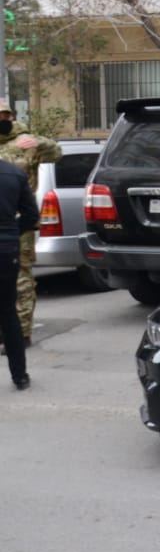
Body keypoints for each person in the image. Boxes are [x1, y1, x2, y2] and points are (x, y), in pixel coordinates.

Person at [0, 101, 62, 351]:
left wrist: (39, 142)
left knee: (21, 280)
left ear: (11, 117)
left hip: (18, 222)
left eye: (4, 115)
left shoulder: (26, 142)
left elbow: (56, 152)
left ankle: (22, 332)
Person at [0, 155, 38, 389]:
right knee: (8, 311)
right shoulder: (14, 173)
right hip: (6, 250)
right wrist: (12, 233)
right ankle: (20, 376)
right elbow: (32, 215)